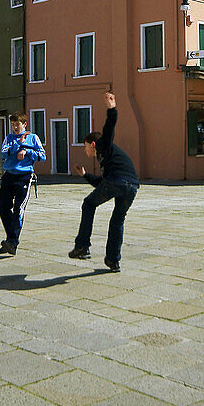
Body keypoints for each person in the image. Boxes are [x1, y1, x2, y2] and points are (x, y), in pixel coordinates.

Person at [69, 92, 140, 273]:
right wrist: (85, 175)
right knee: (117, 221)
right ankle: (113, 261)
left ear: (92, 144)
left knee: (88, 204)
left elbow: (109, 129)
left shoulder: (103, 146)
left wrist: (112, 109)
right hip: (131, 186)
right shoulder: (108, 158)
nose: (85, 151)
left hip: (118, 181)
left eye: (85, 146)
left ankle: (82, 246)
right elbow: (103, 184)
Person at [0, 113, 45, 255]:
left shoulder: (33, 138)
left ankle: (12, 241)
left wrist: (27, 150)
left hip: (24, 177)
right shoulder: (9, 138)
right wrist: (19, 144)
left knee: (19, 209)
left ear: (24, 124)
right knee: (3, 208)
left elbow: (42, 155)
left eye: (17, 124)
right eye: (13, 125)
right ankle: (11, 239)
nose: (15, 127)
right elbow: (4, 153)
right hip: (8, 176)